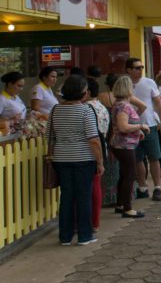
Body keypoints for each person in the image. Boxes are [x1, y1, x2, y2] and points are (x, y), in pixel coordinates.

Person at [46, 75, 104, 245]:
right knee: (83, 197)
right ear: (83, 92)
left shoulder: (55, 110)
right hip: (84, 159)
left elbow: (50, 137)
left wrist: (52, 155)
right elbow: (93, 139)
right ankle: (85, 236)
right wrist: (99, 162)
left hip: (61, 159)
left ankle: (65, 236)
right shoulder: (86, 110)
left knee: (66, 196)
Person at [126, 58, 161, 201]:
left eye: (141, 67)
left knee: (154, 157)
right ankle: (142, 187)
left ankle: (157, 187)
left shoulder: (149, 82)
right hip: (130, 127)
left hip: (149, 125)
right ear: (128, 70)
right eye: (136, 68)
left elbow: (158, 102)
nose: (140, 70)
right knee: (137, 158)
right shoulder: (125, 84)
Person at [109, 76, 149, 219]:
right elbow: (123, 127)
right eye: (131, 87)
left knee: (125, 174)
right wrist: (140, 126)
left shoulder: (119, 104)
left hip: (122, 144)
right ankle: (128, 208)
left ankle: (120, 204)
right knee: (130, 175)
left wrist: (136, 132)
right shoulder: (124, 106)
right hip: (124, 145)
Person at [85, 78, 110, 232]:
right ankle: (95, 221)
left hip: (91, 152)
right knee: (96, 187)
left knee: (92, 188)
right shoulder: (101, 106)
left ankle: (92, 222)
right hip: (100, 149)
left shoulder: (87, 108)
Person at [99, 73, 120, 207]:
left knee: (106, 164)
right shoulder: (124, 99)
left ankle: (105, 196)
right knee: (117, 165)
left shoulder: (101, 96)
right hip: (119, 134)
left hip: (104, 133)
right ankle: (116, 196)